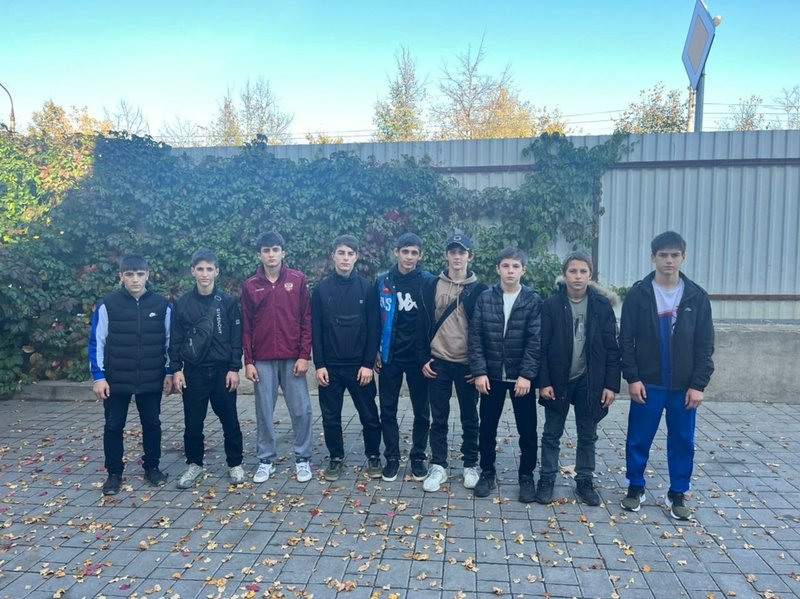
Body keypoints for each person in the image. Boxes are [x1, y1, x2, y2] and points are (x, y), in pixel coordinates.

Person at [619, 231, 714, 520]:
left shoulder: (697, 296)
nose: (669, 260)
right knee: (638, 437)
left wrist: (698, 385)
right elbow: (626, 340)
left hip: (683, 385)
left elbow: (705, 345)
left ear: (683, 257)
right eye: (663, 255)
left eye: (674, 255)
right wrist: (633, 378)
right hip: (648, 382)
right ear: (653, 257)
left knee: (682, 440)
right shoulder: (639, 294)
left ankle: (678, 492)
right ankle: (635, 486)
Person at [536, 252, 621, 506]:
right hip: (559, 379)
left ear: (590, 275)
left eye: (583, 271)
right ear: (565, 274)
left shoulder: (601, 306)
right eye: (573, 271)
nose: (578, 276)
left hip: (590, 380)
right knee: (551, 433)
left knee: (587, 434)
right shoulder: (551, 305)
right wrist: (544, 382)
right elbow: (541, 347)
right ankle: (547, 479)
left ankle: (584, 480)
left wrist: (611, 385)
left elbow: (612, 348)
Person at [89, 255, 172, 496]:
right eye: (129, 274)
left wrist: (169, 372)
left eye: (140, 274)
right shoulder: (108, 305)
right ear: (121, 276)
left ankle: (152, 467)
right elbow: (97, 342)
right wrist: (99, 377)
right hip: (116, 379)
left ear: (148, 275)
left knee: (152, 424)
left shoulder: (162, 305)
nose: (135, 279)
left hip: (151, 377)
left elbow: (170, 342)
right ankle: (114, 473)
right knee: (114, 426)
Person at [469, 246, 542, 502]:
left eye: (515, 266)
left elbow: (535, 340)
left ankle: (526, 476)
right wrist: (479, 372)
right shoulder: (485, 298)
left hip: (520, 378)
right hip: (491, 377)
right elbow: (475, 337)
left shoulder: (532, 300)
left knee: (527, 430)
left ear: (523, 270)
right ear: (498, 269)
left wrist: (527, 375)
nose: (510, 271)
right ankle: (487, 472)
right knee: (487, 428)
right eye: (506, 266)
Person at [416, 233, 487, 492]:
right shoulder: (431, 285)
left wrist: (479, 368)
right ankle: (439, 465)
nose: (457, 257)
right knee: (439, 418)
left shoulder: (481, 290)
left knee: (470, 417)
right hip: (439, 362)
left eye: (462, 252)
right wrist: (423, 357)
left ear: (470, 256)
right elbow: (421, 323)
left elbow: (486, 332)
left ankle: (470, 464)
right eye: (453, 252)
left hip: (467, 365)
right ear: (446, 255)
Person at [169, 249, 245, 489]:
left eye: (209, 269)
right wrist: (176, 370)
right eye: (200, 269)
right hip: (194, 372)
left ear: (216, 272)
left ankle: (235, 463)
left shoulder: (228, 302)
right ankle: (195, 465)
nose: (204, 274)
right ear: (193, 271)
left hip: (222, 371)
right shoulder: (183, 303)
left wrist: (234, 368)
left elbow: (236, 337)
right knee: (193, 423)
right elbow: (176, 339)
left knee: (230, 420)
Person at [242, 231, 314, 483]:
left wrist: (304, 355)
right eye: (266, 250)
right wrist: (248, 361)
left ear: (283, 252)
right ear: (259, 255)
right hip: (262, 359)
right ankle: (266, 460)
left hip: (293, 357)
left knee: (301, 410)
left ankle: (303, 458)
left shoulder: (298, 280)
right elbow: (246, 326)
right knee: (264, 412)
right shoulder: (251, 285)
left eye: (275, 250)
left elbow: (306, 319)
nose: (271, 255)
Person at [312, 235, 382, 481]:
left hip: (359, 367)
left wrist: (367, 364)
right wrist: (319, 364)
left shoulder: (367, 288)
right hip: (330, 367)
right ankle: (336, 457)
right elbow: (316, 329)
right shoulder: (321, 290)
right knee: (331, 417)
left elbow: (373, 328)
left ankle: (373, 456)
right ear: (333, 255)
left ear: (356, 257)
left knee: (369, 416)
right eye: (341, 253)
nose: (345, 258)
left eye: (350, 254)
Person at [376, 232, 436, 482]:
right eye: (405, 252)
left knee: (421, 411)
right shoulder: (383, 281)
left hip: (419, 358)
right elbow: (374, 319)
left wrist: (432, 354)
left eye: (414, 253)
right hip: (390, 355)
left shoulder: (429, 282)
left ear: (420, 255)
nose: (409, 257)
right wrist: (375, 350)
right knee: (387, 410)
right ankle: (391, 457)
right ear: (396, 252)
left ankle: (418, 457)